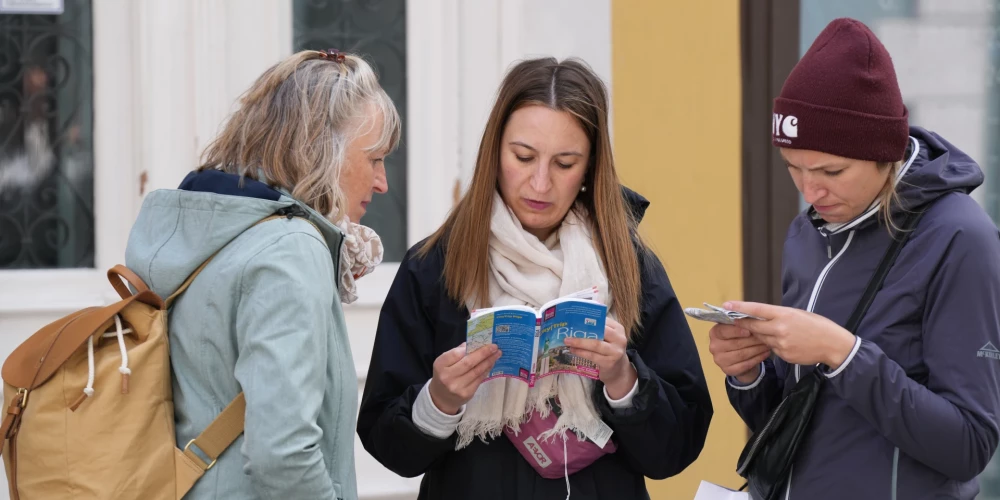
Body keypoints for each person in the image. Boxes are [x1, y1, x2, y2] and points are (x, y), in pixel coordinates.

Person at [357, 57, 712, 499]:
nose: (540, 184)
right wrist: (440, 400)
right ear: (494, 151)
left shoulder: (630, 267)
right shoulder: (435, 266)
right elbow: (387, 446)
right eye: (523, 157)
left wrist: (624, 380)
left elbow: (678, 447)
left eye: (565, 163)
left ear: (590, 168)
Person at [710, 18, 1000, 499]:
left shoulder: (960, 237)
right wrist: (749, 374)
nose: (810, 190)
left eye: (832, 170)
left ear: (883, 153)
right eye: (793, 168)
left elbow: (969, 444)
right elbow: (802, 421)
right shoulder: (808, 232)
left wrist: (842, 354)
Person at [124, 49, 400, 500]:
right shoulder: (290, 250)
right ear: (319, 150)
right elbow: (283, 454)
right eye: (374, 159)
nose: (382, 182)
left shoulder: (206, 230)